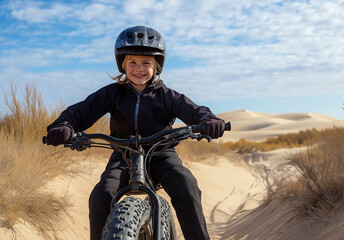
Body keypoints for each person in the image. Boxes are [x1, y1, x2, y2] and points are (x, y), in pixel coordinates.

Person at [45, 25, 225, 240]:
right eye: (132, 62)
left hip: (161, 155)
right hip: (123, 157)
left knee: (186, 185)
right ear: (123, 64)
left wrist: (209, 120)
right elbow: (81, 111)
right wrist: (63, 125)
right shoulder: (111, 94)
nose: (139, 68)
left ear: (157, 66)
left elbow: (195, 111)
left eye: (146, 63)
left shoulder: (167, 96)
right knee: (101, 196)